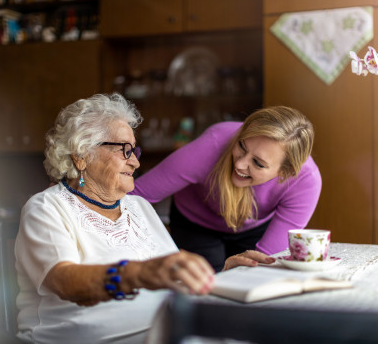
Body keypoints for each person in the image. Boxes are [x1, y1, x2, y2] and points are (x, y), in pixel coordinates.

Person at [14, 93, 272, 344]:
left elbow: (170, 276)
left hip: (164, 333)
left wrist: (221, 275)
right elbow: (65, 281)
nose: (136, 163)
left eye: (134, 151)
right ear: (81, 156)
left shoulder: (138, 207)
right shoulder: (47, 208)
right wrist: (138, 273)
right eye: (124, 150)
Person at [131, 106, 322, 271]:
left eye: (258, 163)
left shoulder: (306, 181)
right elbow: (134, 195)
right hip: (196, 223)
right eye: (242, 146)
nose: (240, 164)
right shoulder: (212, 145)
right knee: (203, 290)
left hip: (254, 228)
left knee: (252, 281)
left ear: (286, 172)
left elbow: (265, 262)